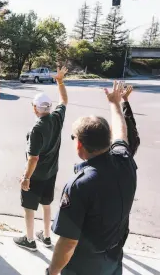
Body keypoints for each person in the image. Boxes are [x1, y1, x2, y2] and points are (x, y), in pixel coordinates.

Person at [46, 81, 139, 275]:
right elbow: (121, 132)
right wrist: (115, 103)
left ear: (79, 145)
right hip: (114, 258)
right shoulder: (124, 159)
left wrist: (52, 272)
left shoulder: (80, 185)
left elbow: (69, 241)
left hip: (85, 265)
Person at [14, 67, 69, 251]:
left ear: (35, 108)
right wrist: (60, 81)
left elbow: (33, 158)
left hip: (36, 176)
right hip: (51, 172)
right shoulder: (57, 118)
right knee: (46, 204)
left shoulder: (37, 129)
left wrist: (26, 177)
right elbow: (64, 100)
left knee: (29, 208)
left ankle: (29, 240)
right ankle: (46, 237)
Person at [121, 85, 140, 156]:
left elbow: (130, 125)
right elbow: (131, 126)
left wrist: (115, 102)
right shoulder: (129, 149)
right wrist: (124, 99)